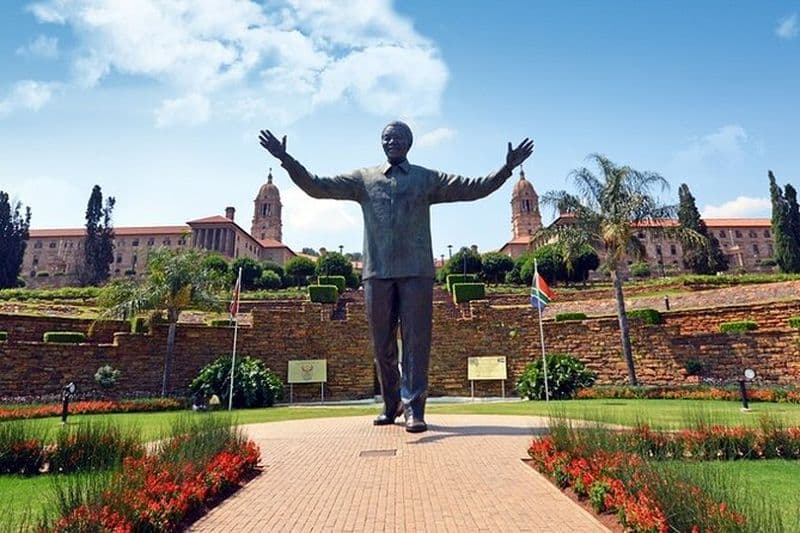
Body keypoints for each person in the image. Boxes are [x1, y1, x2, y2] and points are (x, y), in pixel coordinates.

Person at [259, 122, 533, 432]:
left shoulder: (425, 179)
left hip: (416, 272)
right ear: (381, 143)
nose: (392, 142)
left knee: (416, 343)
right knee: (382, 345)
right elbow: (317, 186)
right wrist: (286, 158)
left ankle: (415, 408)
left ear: (409, 143)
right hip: (376, 273)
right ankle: (392, 404)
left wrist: (506, 169)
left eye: (398, 137)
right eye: (386, 137)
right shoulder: (364, 179)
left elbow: (472, 188)